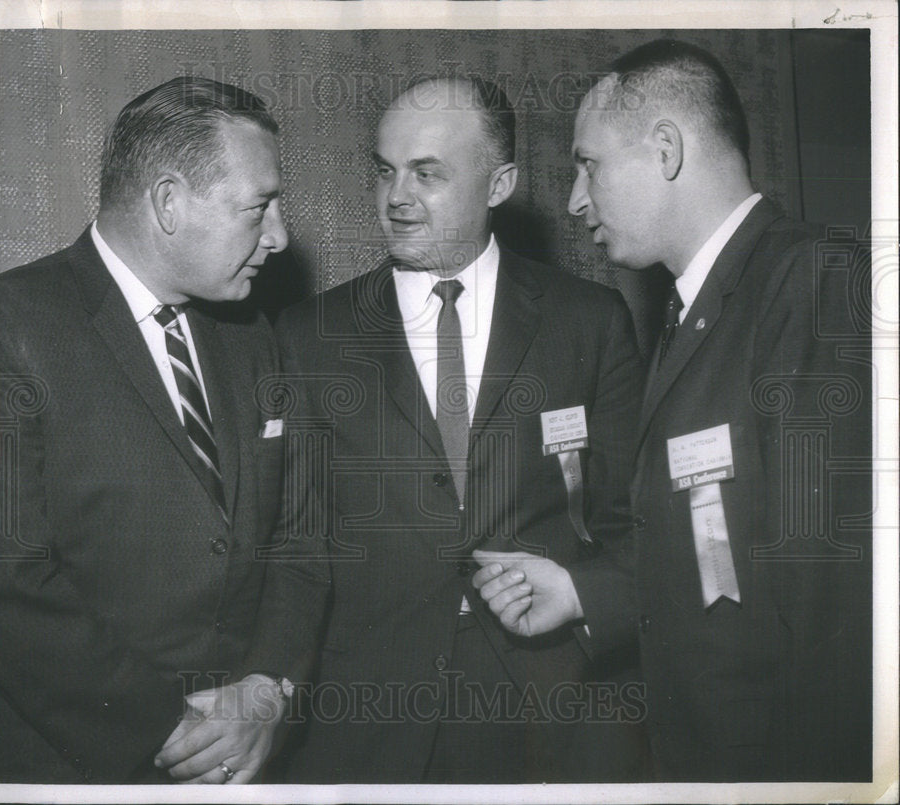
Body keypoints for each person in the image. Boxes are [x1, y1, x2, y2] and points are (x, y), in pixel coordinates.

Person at [228, 76, 648, 784]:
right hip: (368, 721)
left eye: (427, 173)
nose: (397, 197)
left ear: (499, 184)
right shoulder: (309, 335)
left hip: (553, 710)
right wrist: (268, 682)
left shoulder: (590, 321)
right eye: (386, 171)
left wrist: (584, 594)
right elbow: (295, 543)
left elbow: (635, 518)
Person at [473, 39, 872, 781]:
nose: (574, 200)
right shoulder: (692, 313)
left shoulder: (812, 280)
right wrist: (580, 590)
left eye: (589, 164)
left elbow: (832, 597)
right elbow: (716, 550)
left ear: (664, 149)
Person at [0, 77, 292, 784]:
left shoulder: (253, 337)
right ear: (168, 202)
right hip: (68, 768)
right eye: (259, 208)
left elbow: (298, 536)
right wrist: (178, 735)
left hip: (244, 757)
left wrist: (265, 691)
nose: (280, 235)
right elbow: (2, 582)